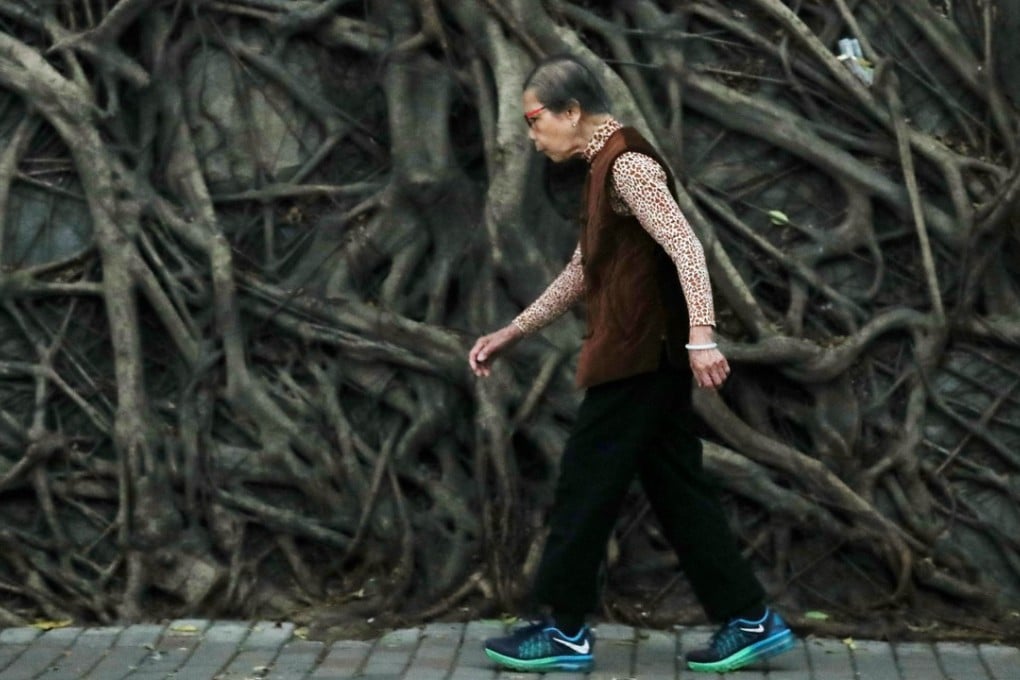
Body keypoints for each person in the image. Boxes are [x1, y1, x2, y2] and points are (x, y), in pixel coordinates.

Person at [467, 55, 796, 674]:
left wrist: (703, 335)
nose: (531, 136)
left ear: (572, 111)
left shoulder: (630, 166)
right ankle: (749, 618)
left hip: (642, 358)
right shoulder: (601, 171)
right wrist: (512, 331)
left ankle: (564, 630)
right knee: (678, 490)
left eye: (535, 120)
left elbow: (686, 246)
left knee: (585, 485)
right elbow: (579, 273)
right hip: (645, 357)